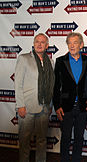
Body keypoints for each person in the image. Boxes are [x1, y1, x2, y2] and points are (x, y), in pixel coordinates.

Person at [15, 33, 55, 162]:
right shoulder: (24, 58)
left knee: (42, 140)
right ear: (33, 43)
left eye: (42, 42)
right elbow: (18, 84)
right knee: (25, 140)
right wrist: (20, 105)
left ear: (47, 46)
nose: (39, 44)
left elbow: (51, 86)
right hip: (27, 107)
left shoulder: (51, 62)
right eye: (37, 41)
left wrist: (50, 105)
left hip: (44, 107)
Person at [53, 32, 87, 162]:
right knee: (65, 137)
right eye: (69, 42)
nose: (72, 45)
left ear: (81, 45)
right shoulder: (60, 61)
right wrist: (57, 106)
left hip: (82, 106)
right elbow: (56, 86)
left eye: (75, 42)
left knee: (79, 137)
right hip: (65, 107)